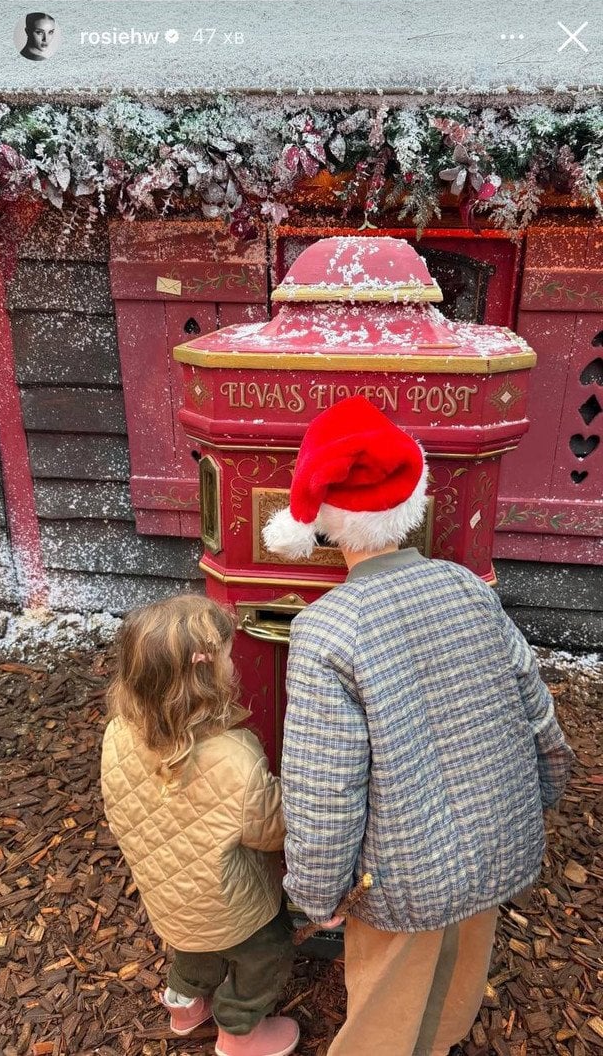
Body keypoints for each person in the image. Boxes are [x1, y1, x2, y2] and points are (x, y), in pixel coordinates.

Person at [263, 396, 574, 1056]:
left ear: (323, 522)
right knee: (460, 965)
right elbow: (533, 702)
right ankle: (445, 1040)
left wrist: (318, 894)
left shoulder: (326, 632)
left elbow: (325, 793)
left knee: (387, 1004)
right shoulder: (466, 587)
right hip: (496, 835)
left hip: (399, 872)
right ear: (412, 506)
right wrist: (546, 787)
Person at [101, 594, 299, 1056]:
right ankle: (240, 1030)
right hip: (235, 907)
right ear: (205, 671)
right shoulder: (235, 758)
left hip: (166, 894)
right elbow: (274, 832)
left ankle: (185, 1004)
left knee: (193, 945)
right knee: (266, 952)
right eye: (229, 656)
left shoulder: (117, 732)